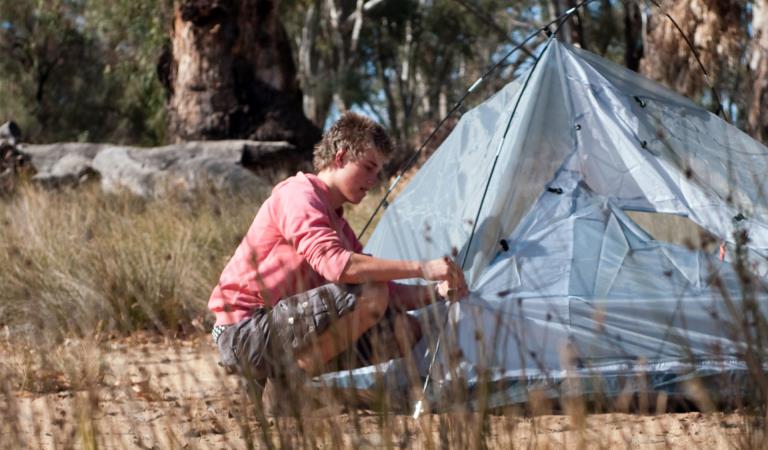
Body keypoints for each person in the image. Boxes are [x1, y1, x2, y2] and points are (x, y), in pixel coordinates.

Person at [208, 112, 467, 411]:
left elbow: (389, 291)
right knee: (372, 293)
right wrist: (422, 268)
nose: (373, 181)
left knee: (404, 330)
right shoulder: (298, 194)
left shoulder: (338, 225)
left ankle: (281, 384)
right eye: (368, 167)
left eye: (378, 171)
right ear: (341, 157)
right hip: (242, 331)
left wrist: (435, 292)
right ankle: (290, 385)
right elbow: (336, 265)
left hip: (280, 327)